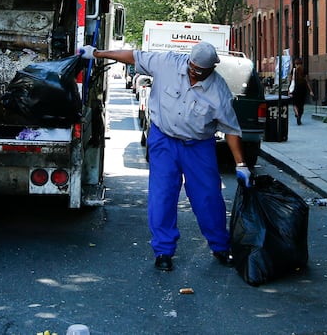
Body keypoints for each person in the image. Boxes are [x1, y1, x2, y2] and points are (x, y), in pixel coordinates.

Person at [79, 41, 247, 272]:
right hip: (164, 140)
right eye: (193, 68)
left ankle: (220, 246)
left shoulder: (219, 91)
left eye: (201, 71)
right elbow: (133, 56)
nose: (195, 74)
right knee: (162, 196)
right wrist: (97, 53)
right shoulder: (167, 63)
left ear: (212, 68)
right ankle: (163, 252)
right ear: (189, 60)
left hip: (198, 146)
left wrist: (241, 164)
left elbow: (231, 130)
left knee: (208, 197)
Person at [288, 57, 313, 126]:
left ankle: (297, 114)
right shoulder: (304, 70)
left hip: (296, 88)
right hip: (303, 89)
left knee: (294, 103)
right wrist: (311, 91)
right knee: (301, 105)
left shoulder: (293, 71)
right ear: (301, 64)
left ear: (295, 64)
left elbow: (291, 81)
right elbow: (307, 81)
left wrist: (289, 90)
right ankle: (300, 116)